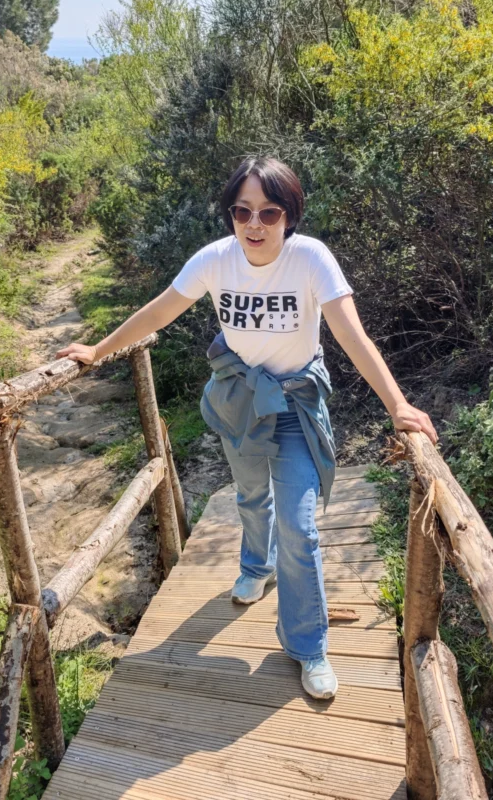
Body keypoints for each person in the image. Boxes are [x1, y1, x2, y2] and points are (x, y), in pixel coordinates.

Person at [56, 155, 438, 701]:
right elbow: (160, 311)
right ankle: (256, 566)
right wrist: (97, 349)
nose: (254, 225)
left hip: (295, 405)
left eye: (269, 212)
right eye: (242, 212)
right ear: (230, 215)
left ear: (290, 215)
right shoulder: (216, 260)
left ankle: (308, 646)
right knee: (251, 497)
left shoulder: (311, 259)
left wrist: (397, 404)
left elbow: (352, 337)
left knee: (300, 528)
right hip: (240, 399)